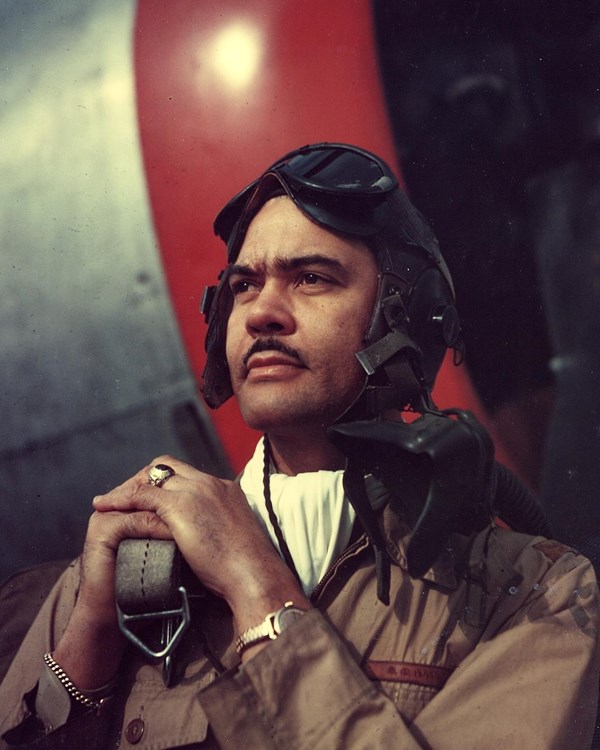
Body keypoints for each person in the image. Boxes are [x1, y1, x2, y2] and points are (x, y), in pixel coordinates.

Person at [0, 143, 598, 749]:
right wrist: (90, 641)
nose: (262, 312)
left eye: (311, 278)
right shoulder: (109, 575)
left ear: (408, 320)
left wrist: (254, 583)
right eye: (244, 284)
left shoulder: (539, 595)